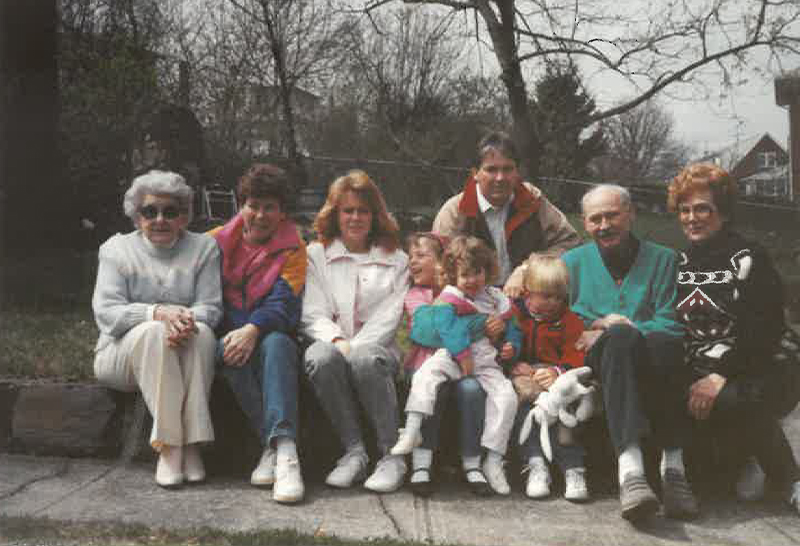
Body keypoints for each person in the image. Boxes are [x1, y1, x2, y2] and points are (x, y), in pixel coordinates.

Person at [667, 163, 800, 513]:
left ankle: (791, 481)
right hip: (694, 371)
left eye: (702, 209)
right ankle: (744, 457)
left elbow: (766, 331)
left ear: (723, 213)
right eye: (685, 210)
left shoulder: (749, 257)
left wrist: (718, 375)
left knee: (737, 398)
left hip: (750, 368)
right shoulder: (674, 262)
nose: (692, 218)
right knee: (719, 484)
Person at [561, 184, 699, 521]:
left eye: (612, 215)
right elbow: (562, 318)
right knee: (620, 337)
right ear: (584, 223)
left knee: (655, 340)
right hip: (596, 356)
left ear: (631, 214)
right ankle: (632, 472)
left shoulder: (665, 259)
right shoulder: (572, 263)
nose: (604, 225)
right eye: (595, 219)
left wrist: (626, 328)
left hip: (655, 352)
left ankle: (673, 470)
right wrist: (600, 325)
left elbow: (670, 321)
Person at [92, 170, 222, 489]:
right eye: (150, 211)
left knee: (203, 332)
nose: (160, 219)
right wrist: (157, 314)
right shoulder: (116, 249)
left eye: (170, 211)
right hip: (120, 357)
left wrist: (183, 320)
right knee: (153, 332)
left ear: (184, 217)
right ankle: (170, 447)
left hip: (182, 348)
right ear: (137, 217)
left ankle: (193, 446)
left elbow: (212, 307)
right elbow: (107, 313)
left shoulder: (203, 248)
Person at [301, 170, 410, 493]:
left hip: (379, 351)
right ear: (335, 213)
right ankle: (354, 452)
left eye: (364, 211)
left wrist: (355, 348)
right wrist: (337, 341)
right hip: (332, 343)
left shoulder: (397, 258)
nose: (355, 217)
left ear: (376, 215)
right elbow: (312, 310)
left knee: (363, 359)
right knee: (318, 357)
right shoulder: (316, 254)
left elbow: (390, 316)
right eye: (348, 210)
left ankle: (392, 456)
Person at [392, 236, 522, 495]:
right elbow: (447, 331)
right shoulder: (451, 296)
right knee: (426, 376)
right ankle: (412, 430)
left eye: (478, 273)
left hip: (485, 360)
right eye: (465, 274)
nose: (472, 280)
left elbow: (513, 327)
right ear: (452, 275)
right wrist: (465, 354)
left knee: (506, 396)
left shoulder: (496, 298)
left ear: (487, 271)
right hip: (451, 356)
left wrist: (510, 345)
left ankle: (493, 460)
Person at [210, 164, 307, 504]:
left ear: (282, 213)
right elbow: (209, 295)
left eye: (270, 207)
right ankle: (278, 444)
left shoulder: (294, 249)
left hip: (272, 331)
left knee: (278, 345)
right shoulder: (216, 243)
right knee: (226, 351)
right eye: (253, 205)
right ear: (241, 206)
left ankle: (285, 456)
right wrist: (238, 332)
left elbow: (285, 303)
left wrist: (253, 328)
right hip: (230, 333)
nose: (260, 215)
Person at [432, 131, 580, 287]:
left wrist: (528, 268)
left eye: (508, 169)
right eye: (491, 170)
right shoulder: (455, 211)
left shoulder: (532, 200)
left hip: (529, 297)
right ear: (475, 173)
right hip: (471, 300)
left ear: (517, 172)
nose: (500, 178)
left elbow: (570, 242)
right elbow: (439, 265)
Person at [510, 253, 589, 501]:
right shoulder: (516, 314)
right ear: (527, 292)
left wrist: (557, 371)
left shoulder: (570, 321)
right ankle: (535, 464)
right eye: (544, 296)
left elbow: (576, 356)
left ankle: (572, 468)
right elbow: (505, 340)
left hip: (558, 378)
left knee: (567, 411)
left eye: (558, 297)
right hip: (525, 376)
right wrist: (513, 361)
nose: (552, 303)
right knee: (523, 404)